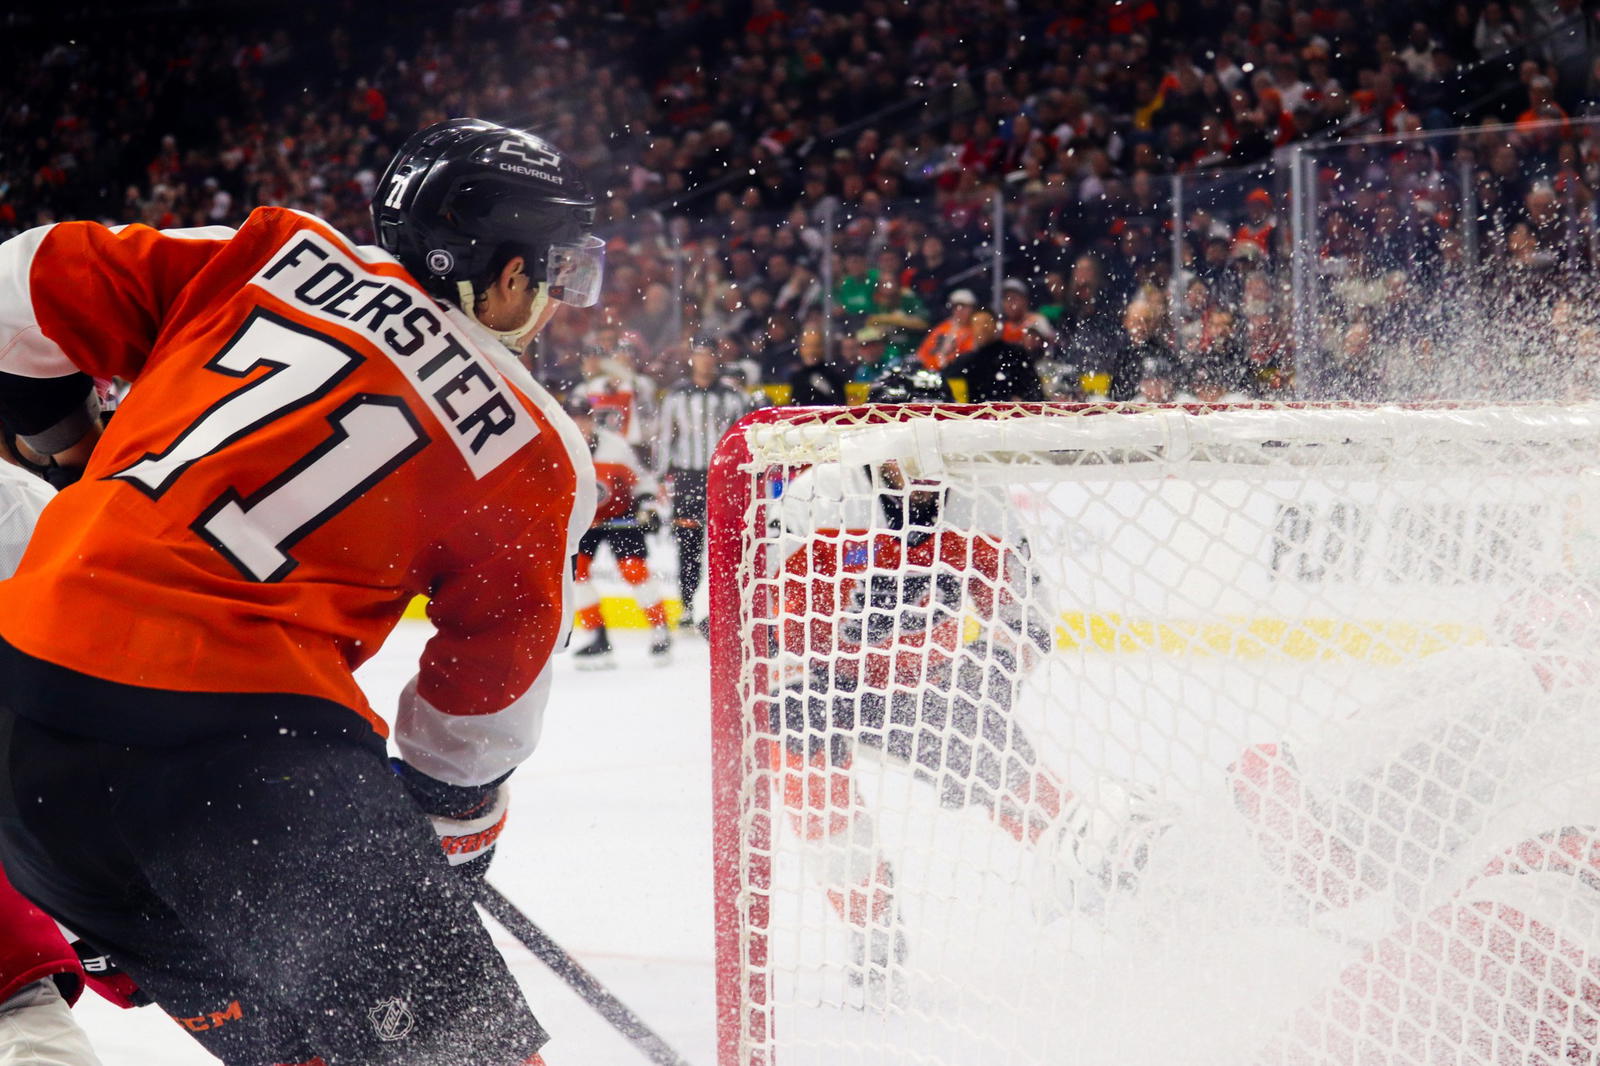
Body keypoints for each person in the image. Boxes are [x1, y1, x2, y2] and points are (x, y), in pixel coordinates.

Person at [0, 117, 603, 1066]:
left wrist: (70, 447)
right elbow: (479, 714)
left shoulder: (269, 251)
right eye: (552, 271)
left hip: (22, 739)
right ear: (507, 268)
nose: (556, 300)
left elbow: (18, 286)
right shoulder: (536, 444)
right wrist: (443, 851)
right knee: (462, 1055)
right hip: (234, 762)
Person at [567, 395, 672, 667]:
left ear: (592, 420)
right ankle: (597, 637)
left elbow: (643, 481)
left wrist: (647, 505)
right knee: (576, 572)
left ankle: (660, 630)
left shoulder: (615, 447)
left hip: (620, 515)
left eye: (584, 419)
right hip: (583, 519)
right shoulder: (560, 447)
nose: (580, 425)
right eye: (574, 419)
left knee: (633, 570)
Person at [655, 341, 751, 632]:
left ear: (716, 359)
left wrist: (745, 474)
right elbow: (664, 437)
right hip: (688, 477)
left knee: (729, 542)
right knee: (688, 542)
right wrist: (660, 476)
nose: (705, 361)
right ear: (692, 359)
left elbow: (743, 438)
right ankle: (687, 605)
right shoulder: (676, 396)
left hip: (724, 477)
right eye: (700, 355)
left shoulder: (733, 397)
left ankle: (733, 605)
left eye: (709, 355)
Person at [942, 310, 1046, 402]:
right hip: (976, 420)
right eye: (977, 323)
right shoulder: (964, 362)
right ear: (971, 329)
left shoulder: (1014, 353)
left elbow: (1033, 390)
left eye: (987, 322)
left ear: (996, 326)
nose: (982, 328)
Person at [913, 288, 979, 371]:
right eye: (956, 306)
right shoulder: (941, 328)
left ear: (973, 309)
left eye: (964, 307)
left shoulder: (975, 330)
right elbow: (922, 354)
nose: (960, 310)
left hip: (957, 375)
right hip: (931, 373)